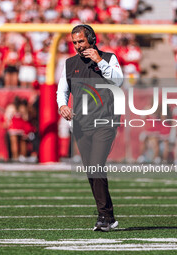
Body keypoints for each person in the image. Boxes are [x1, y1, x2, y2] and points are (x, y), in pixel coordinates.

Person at [56, 24, 123, 232]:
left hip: (105, 120)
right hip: (81, 123)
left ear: (92, 39)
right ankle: (106, 217)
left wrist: (99, 61)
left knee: (96, 165)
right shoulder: (70, 63)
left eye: (81, 41)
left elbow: (118, 81)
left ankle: (105, 215)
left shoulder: (109, 58)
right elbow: (62, 90)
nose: (78, 46)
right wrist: (63, 105)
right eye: (75, 42)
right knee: (90, 170)